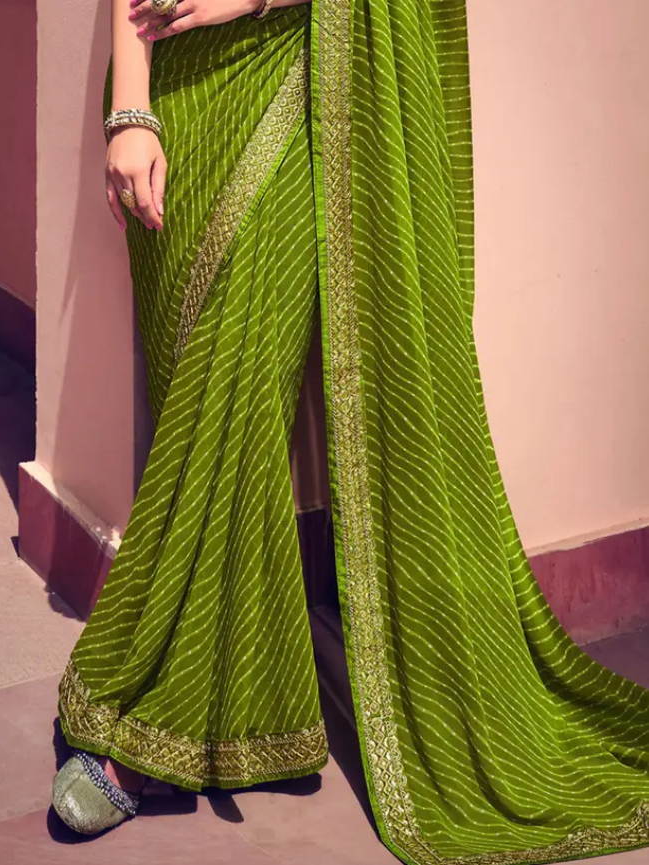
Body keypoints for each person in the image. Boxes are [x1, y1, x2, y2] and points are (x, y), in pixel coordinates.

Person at [51, 0, 649, 862]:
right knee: (193, 395)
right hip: (176, 94)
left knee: (233, 388)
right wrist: (130, 108)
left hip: (294, 77)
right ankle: (246, 702)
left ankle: (149, 728)